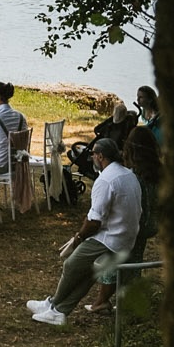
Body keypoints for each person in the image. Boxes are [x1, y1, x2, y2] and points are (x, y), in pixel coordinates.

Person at [27, 138, 142, 326]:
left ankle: (53, 305)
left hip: (111, 238)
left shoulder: (105, 180)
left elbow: (94, 221)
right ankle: (58, 311)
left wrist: (79, 237)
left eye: (93, 155)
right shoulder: (129, 174)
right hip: (127, 236)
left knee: (71, 265)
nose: (92, 158)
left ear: (100, 156)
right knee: (89, 273)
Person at [88, 126, 161, 312]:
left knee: (116, 259)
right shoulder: (156, 171)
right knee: (133, 260)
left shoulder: (134, 175)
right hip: (151, 224)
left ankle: (106, 301)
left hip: (136, 224)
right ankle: (120, 300)